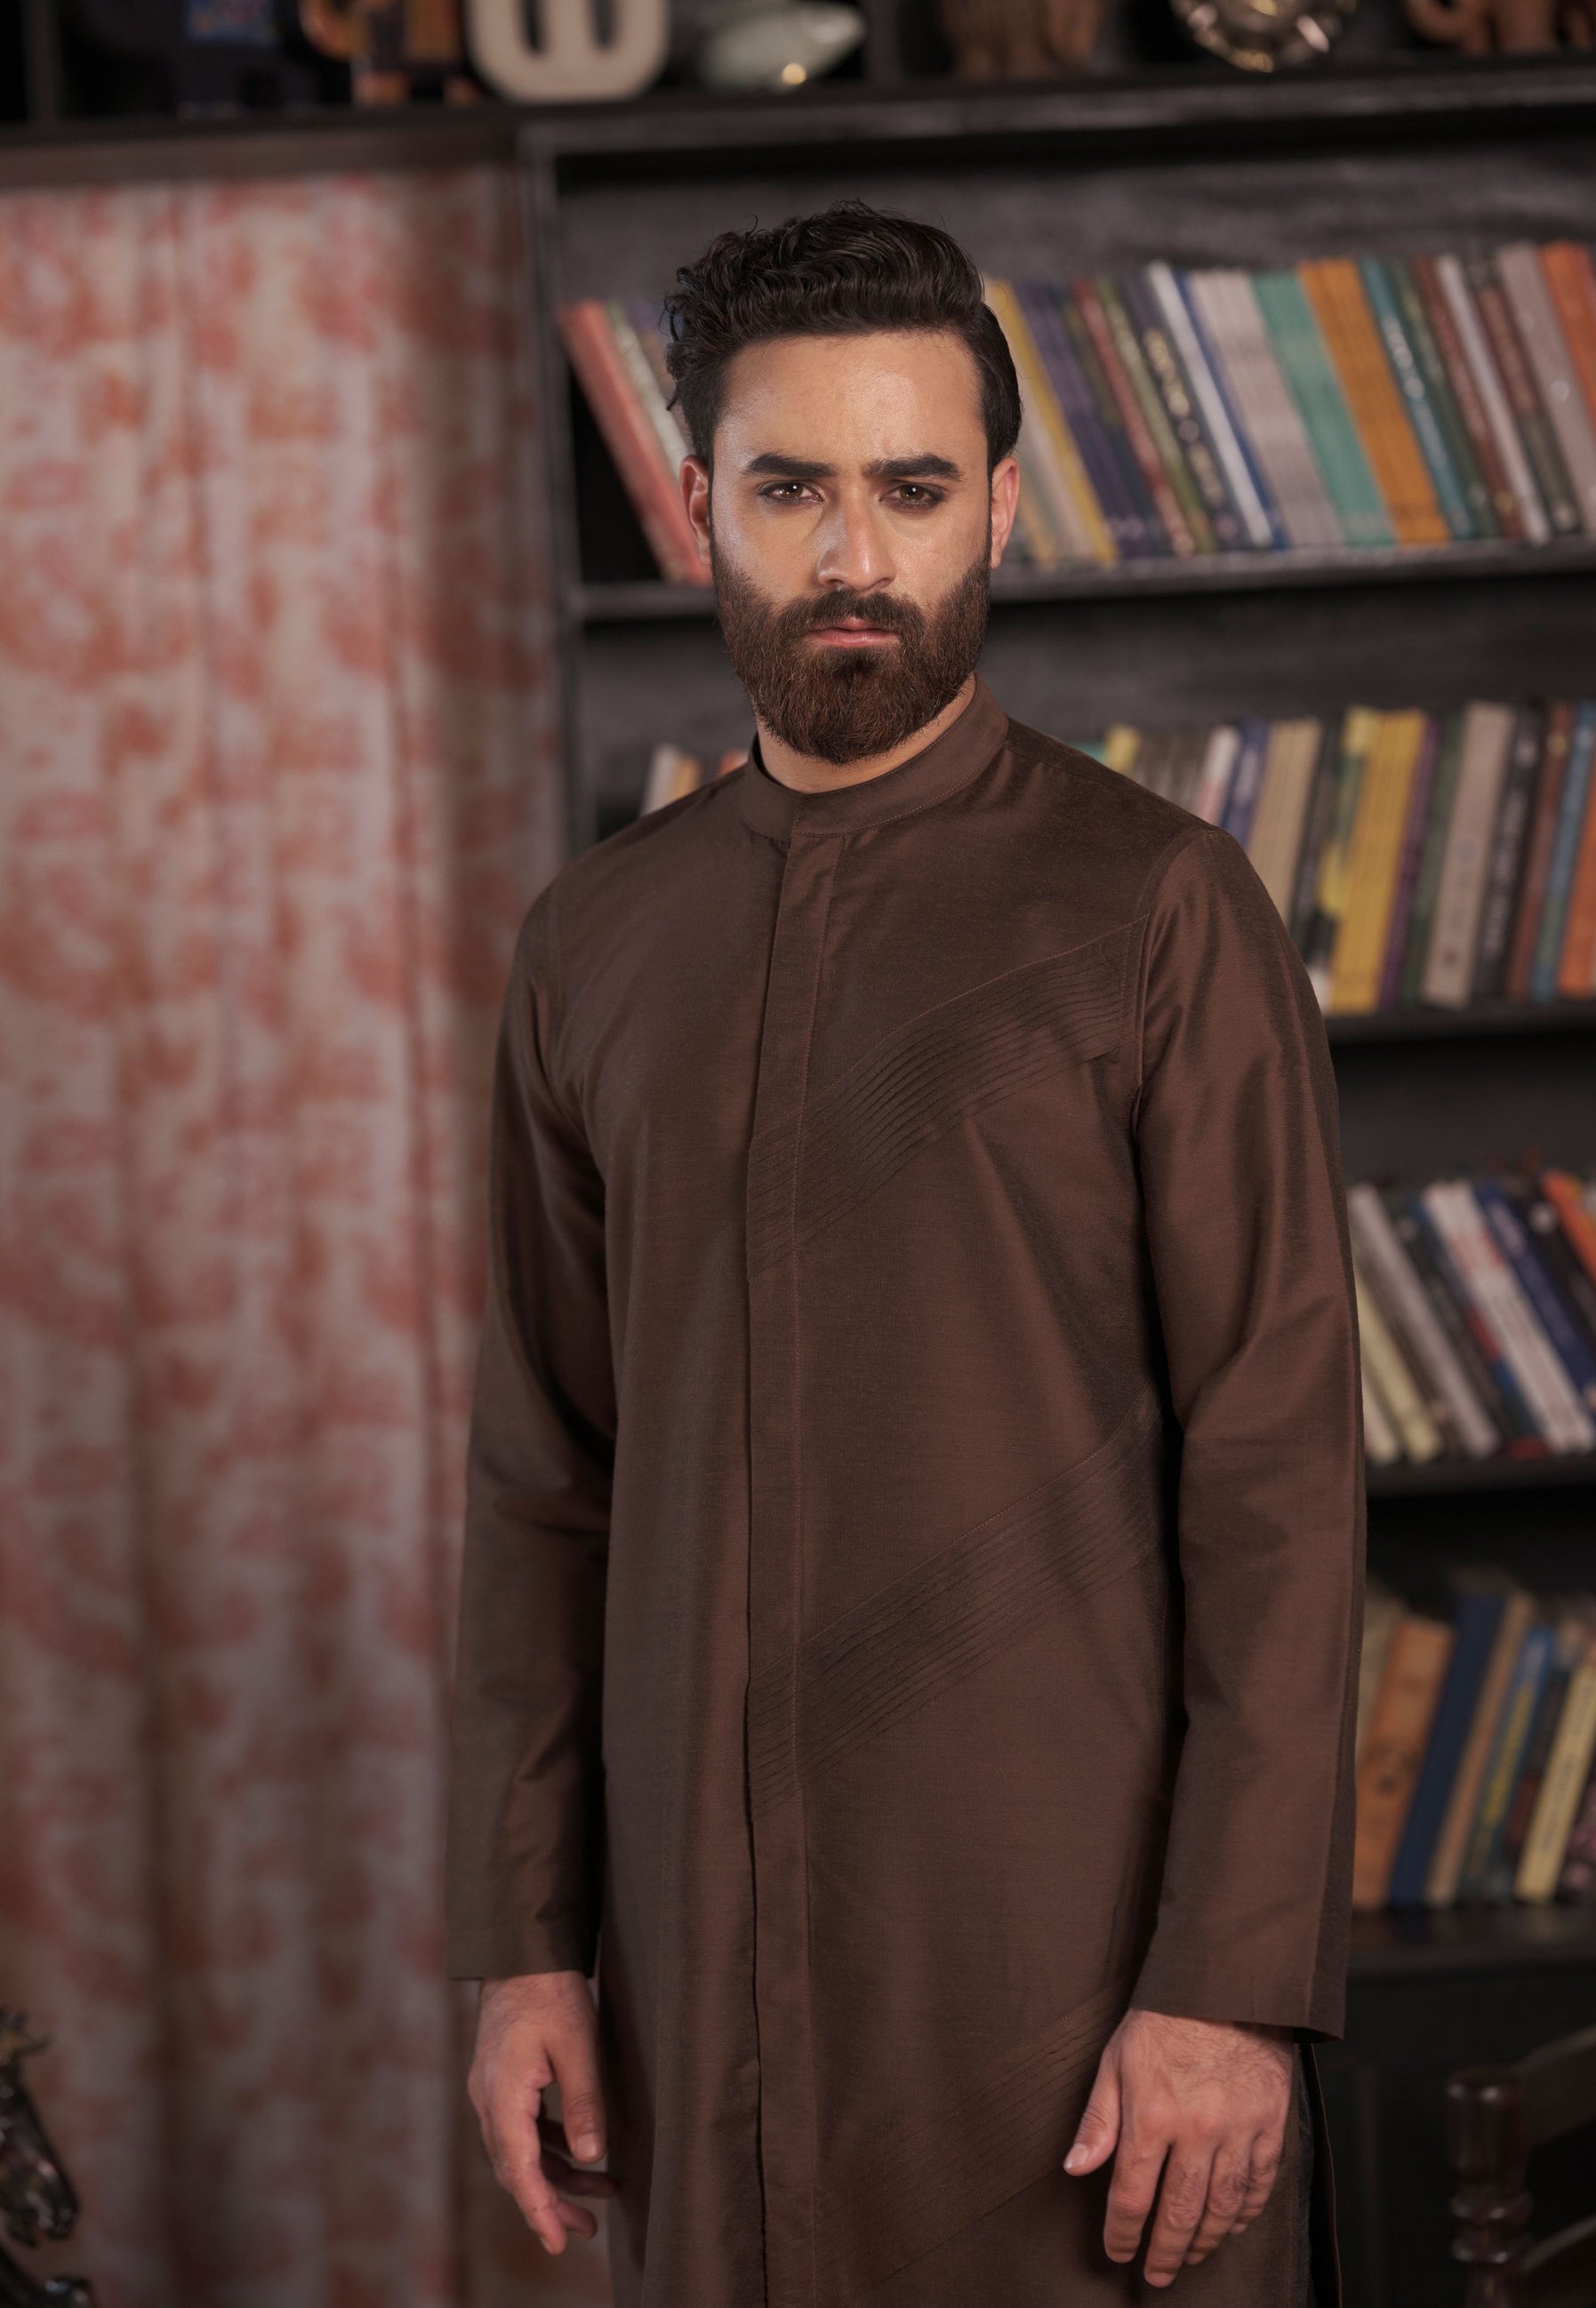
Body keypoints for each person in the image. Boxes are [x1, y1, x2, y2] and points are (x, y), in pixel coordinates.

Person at [445, 199, 1364, 2308]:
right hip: (694, 1983)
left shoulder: (1160, 911)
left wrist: (1226, 1985)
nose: (852, 552)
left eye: (912, 487)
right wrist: (521, 1943)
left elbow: (1278, 1471)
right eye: (791, 488)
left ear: (1000, 508)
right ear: (699, 505)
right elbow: (540, 1476)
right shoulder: (593, 945)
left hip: (1078, 1997)